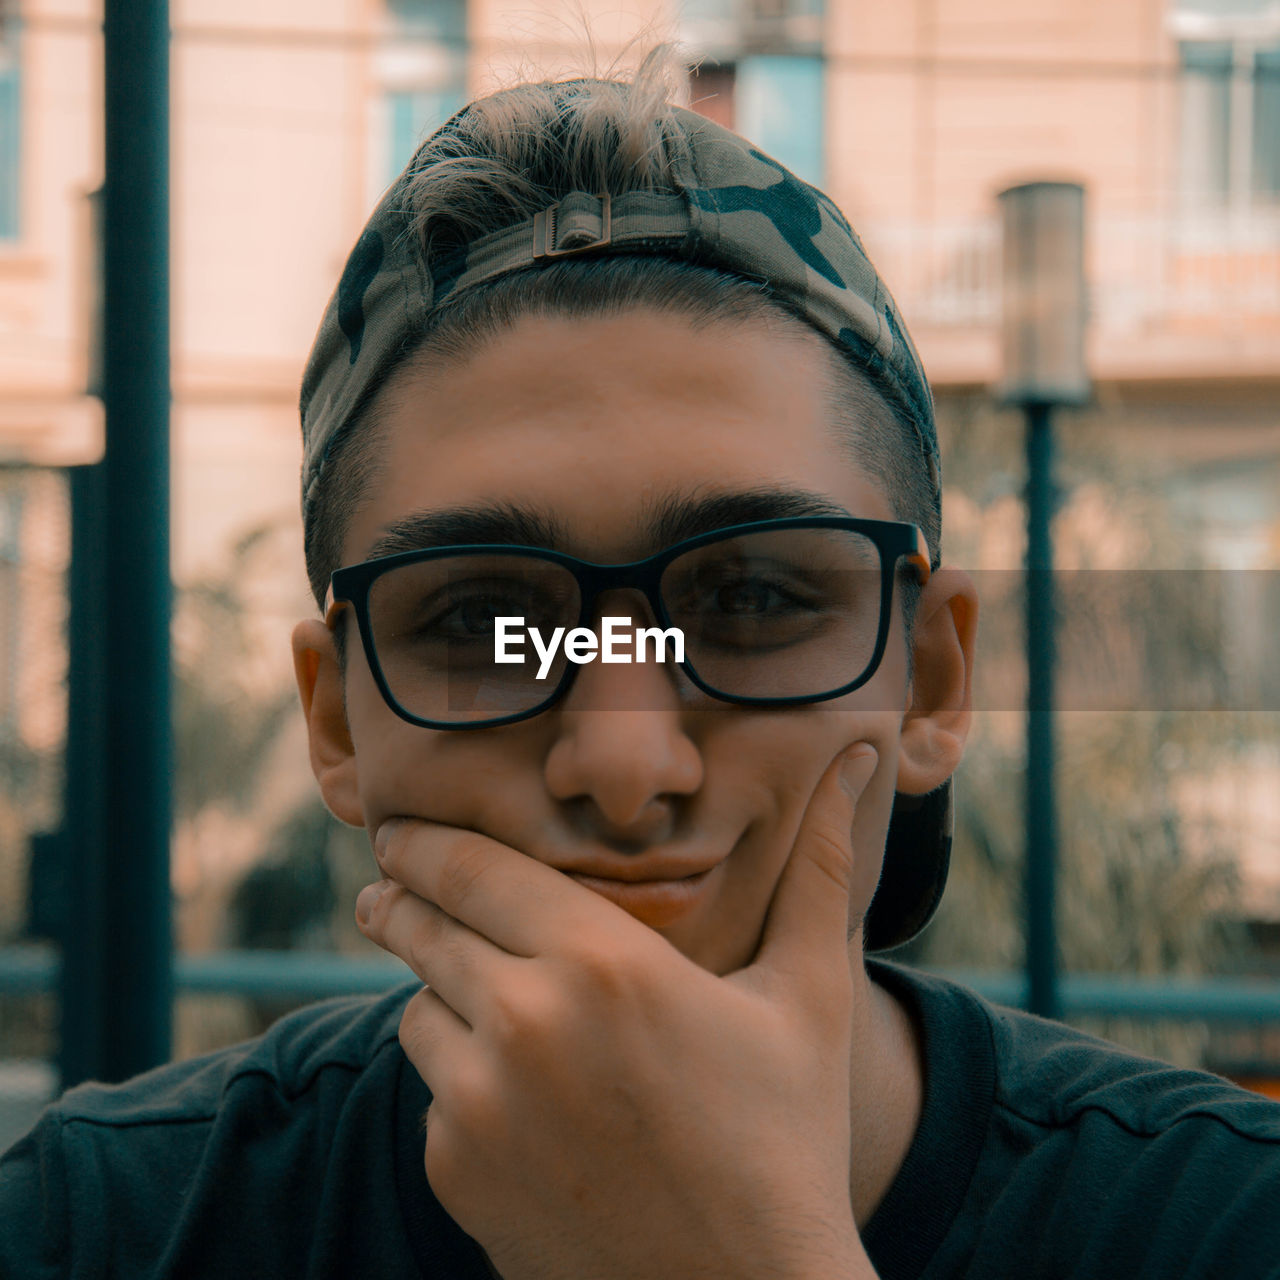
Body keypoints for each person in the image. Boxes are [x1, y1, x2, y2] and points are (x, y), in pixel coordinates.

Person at [3, 47, 1279, 1280]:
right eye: (483, 622)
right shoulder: (92, 1226)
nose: (622, 763)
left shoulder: (1229, 1225)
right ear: (336, 720)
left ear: (930, 683)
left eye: (755, 598)